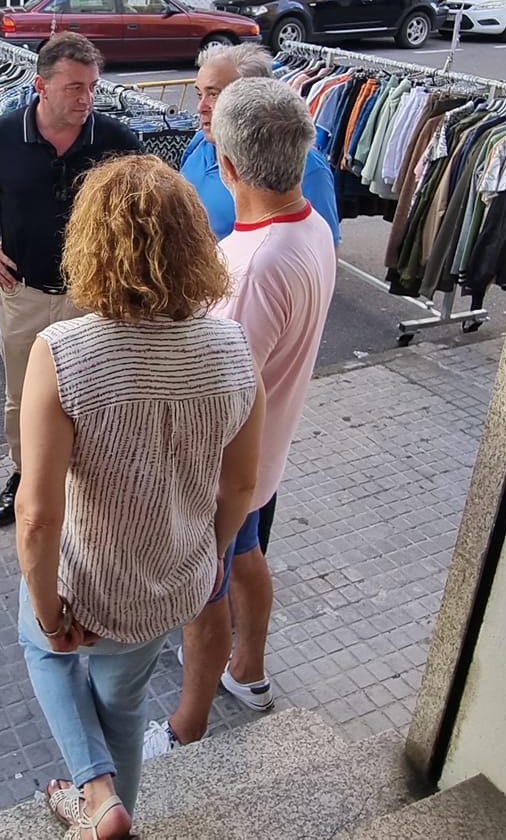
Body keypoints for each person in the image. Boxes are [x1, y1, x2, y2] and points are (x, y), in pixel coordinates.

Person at [15, 154, 265, 840]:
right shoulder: (234, 347)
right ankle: (110, 803)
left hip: (87, 581)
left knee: (42, 647)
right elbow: (240, 484)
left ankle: (96, 795)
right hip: (172, 581)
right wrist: (212, 554)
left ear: (90, 244)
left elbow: (37, 517)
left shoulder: (63, 351)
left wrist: (48, 611)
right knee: (122, 707)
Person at [146, 78, 339, 758]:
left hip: (226, 472)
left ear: (227, 167)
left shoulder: (254, 266)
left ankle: (186, 726)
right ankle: (249, 674)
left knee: (207, 596)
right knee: (248, 555)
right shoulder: (309, 226)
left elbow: (218, 398)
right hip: (267, 459)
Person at [0, 32, 142, 528]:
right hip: (25, 294)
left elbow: (149, 206)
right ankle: (24, 477)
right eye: (74, 87)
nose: (86, 98)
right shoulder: (3, 134)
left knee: (93, 393)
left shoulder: (117, 140)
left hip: (93, 299)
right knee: (22, 397)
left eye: (92, 87)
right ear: (41, 86)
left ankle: (86, 482)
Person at [180, 43, 341, 245]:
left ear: (252, 98)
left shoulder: (305, 167)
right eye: (199, 94)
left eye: (214, 94)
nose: (201, 107)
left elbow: (323, 250)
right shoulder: (199, 143)